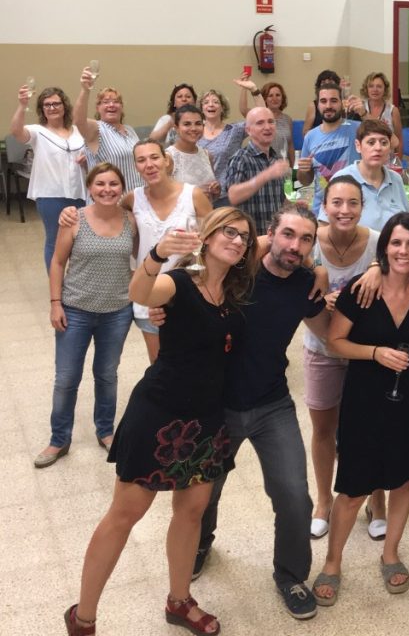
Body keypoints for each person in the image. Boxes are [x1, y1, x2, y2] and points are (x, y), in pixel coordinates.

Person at [63, 207, 258, 636]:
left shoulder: (236, 296)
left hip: (206, 419)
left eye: (244, 237)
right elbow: (139, 292)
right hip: (160, 415)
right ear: (207, 237)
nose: (237, 240)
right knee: (125, 513)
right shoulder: (179, 283)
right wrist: (155, 254)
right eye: (229, 231)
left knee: (191, 512)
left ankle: (179, 601)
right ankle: (83, 617)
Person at [193, 203, 330, 620]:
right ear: (270, 234)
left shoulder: (305, 284)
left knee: (294, 496)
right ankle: (199, 544)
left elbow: (331, 333)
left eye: (306, 239)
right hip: (219, 405)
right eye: (287, 234)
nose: (295, 246)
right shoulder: (238, 271)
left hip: (273, 404)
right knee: (205, 490)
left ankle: (290, 574)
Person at [313, 213, 409, 605]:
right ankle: (332, 562)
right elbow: (335, 341)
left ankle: (391, 553)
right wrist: (376, 353)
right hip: (365, 394)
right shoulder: (361, 290)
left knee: (402, 478)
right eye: (396, 243)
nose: (404, 251)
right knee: (353, 486)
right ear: (384, 248)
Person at [36, 163, 136, 469]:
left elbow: (140, 258)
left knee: (107, 375)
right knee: (66, 378)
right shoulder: (73, 219)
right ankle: (59, 438)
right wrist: (55, 303)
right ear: (90, 188)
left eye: (113, 184)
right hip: (75, 310)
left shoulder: (131, 220)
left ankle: (105, 431)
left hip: (117, 311)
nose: (107, 189)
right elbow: (57, 262)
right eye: (100, 184)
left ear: (122, 188)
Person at [303, 176, 384, 541]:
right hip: (321, 349)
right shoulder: (309, 243)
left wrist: (379, 268)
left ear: (362, 208)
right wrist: (323, 304)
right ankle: (323, 500)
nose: (344, 210)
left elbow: (403, 276)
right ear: (324, 206)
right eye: (336, 202)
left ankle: (377, 499)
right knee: (323, 429)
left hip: (365, 351)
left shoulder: (378, 243)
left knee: (370, 427)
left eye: (353, 203)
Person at [125, 139, 213, 363]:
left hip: (189, 292)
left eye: (154, 157)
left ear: (166, 161)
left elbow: (214, 239)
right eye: (141, 160)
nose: (149, 165)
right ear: (136, 167)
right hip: (149, 293)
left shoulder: (193, 195)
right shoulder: (133, 198)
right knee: (160, 366)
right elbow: (106, 215)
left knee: (195, 362)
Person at [10, 83, 87, 271]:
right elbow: (16, 132)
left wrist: (87, 159)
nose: (52, 108)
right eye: (47, 105)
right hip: (51, 195)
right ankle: (56, 285)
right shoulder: (38, 131)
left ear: (64, 106)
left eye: (56, 103)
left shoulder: (78, 131)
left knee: (81, 241)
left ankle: (76, 282)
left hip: (80, 193)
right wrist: (22, 105)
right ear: (42, 109)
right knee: (55, 240)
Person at [329, 119, 409, 228]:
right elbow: (324, 227)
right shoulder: (341, 179)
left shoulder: (395, 179)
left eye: (384, 143)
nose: (378, 148)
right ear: (358, 146)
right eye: (371, 142)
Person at [72, 68, 141, 192]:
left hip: (135, 197)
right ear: (98, 108)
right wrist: (85, 90)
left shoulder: (130, 130)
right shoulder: (96, 129)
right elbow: (78, 120)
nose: (111, 105)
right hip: (108, 198)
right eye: (105, 102)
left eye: (116, 102)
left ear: (122, 107)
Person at [225, 106, 291, 234]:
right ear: (248, 130)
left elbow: (280, 201)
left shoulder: (276, 159)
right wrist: (266, 175)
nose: (267, 127)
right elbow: (233, 196)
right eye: (260, 123)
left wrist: (293, 207)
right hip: (251, 237)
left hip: (274, 236)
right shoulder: (240, 158)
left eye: (271, 122)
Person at [297, 82, 358, 217]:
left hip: (352, 209)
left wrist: (364, 113)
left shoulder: (357, 129)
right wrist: (303, 170)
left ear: (342, 103)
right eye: (323, 101)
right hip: (322, 211)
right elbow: (305, 181)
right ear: (318, 105)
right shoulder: (310, 137)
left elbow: (393, 141)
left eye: (334, 101)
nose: (328, 106)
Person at [196, 89, 247, 207]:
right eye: (206, 102)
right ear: (201, 109)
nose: (211, 105)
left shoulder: (234, 130)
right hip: (202, 196)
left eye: (215, 102)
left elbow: (261, 117)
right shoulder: (195, 133)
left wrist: (254, 90)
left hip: (228, 197)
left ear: (222, 108)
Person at [166, 105, 220, 202]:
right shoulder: (168, 157)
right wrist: (194, 194)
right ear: (176, 128)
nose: (193, 128)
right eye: (187, 124)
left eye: (198, 123)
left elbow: (211, 196)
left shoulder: (207, 155)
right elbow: (161, 196)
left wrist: (216, 190)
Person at [236, 77, 294, 165]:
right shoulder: (259, 116)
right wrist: (244, 87)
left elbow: (290, 144)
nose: (274, 98)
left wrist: (293, 166)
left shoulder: (288, 119)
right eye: (270, 96)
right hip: (263, 164)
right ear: (265, 99)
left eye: (278, 95)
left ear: (282, 98)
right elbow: (243, 109)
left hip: (283, 166)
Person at [348, 71, 403, 158]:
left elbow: (399, 139)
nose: (375, 89)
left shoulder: (393, 111)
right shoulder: (359, 108)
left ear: (385, 89)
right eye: (371, 86)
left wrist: (399, 160)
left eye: (379, 86)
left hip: (387, 158)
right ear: (366, 89)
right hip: (365, 158)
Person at [302, 69, 342, 136]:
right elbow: (305, 131)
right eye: (323, 83)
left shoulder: (344, 104)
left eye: (330, 82)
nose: (327, 85)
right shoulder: (313, 105)